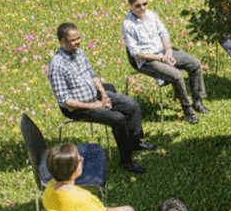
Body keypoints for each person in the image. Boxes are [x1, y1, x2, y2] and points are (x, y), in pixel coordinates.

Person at [48, 22, 155, 175]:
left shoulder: (79, 52)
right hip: (79, 108)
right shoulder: (57, 66)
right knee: (118, 119)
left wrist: (104, 94)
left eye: (78, 38)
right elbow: (67, 103)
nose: (78, 42)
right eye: (73, 40)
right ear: (62, 42)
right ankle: (126, 161)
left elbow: (92, 75)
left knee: (131, 105)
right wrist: (95, 106)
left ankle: (134, 142)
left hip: (95, 96)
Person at [122, 0, 209, 124]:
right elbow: (137, 54)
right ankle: (188, 109)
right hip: (148, 61)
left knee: (195, 63)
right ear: (130, 5)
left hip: (164, 52)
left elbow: (164, 34)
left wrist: (168, 51)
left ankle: (198, 102)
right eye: (137, 6)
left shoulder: (152, 15)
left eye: (144, 4)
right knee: (177, 75)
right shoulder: (127, 24)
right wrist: (161, 59)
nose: (142, 8)